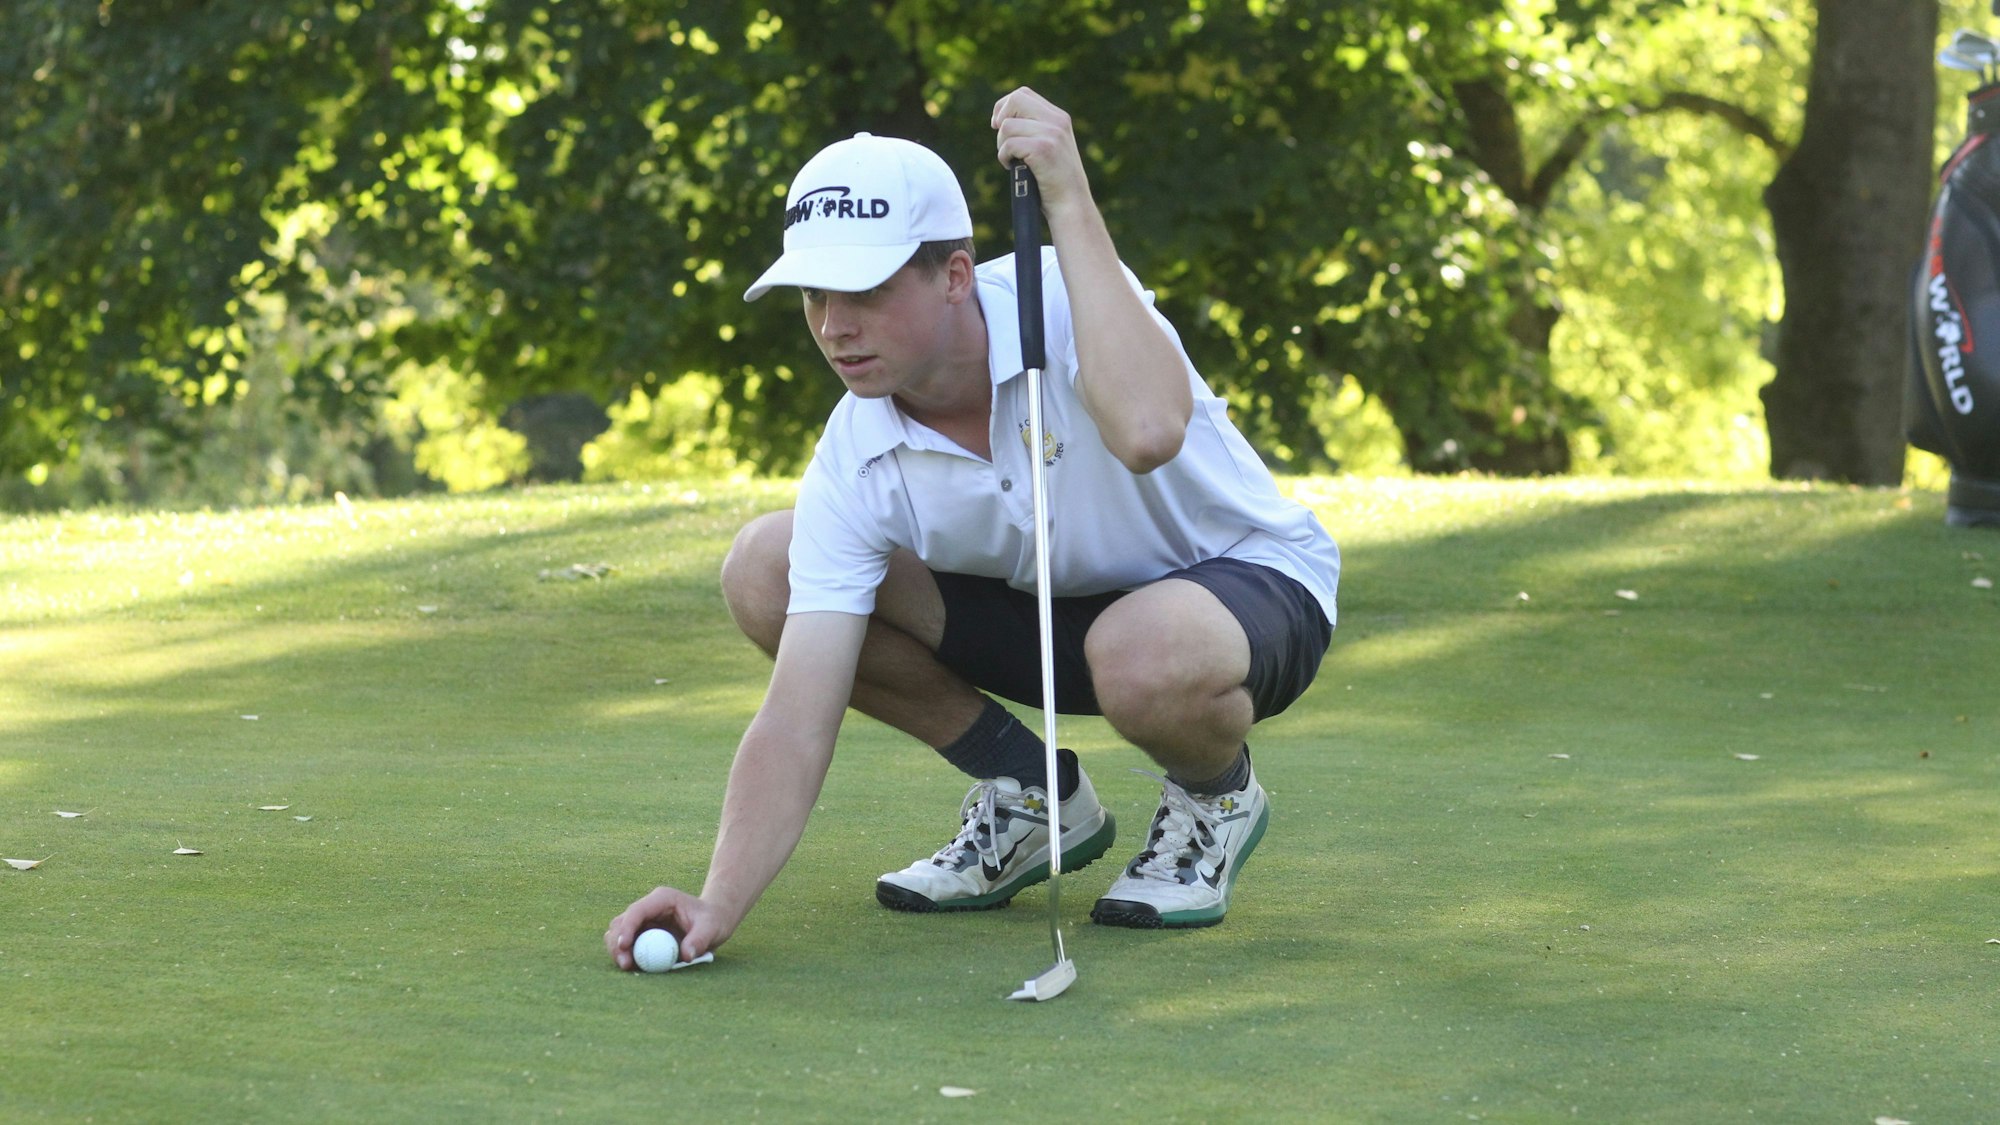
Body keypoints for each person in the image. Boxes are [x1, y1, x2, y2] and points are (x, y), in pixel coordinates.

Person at [605, 87, 1339, 971]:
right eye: (814, 297)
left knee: (1141, 649)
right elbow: (798, 718)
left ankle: (1216, 798)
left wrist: (1069, 194)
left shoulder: (1068, 300)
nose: (835, 327)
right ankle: (1037, 796)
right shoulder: (857, 448)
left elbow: (1149, 434)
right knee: (770, 563)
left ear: (955, 276)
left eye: (865, 291)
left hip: (1238, 589)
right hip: (1050, 612)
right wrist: (715, 897)